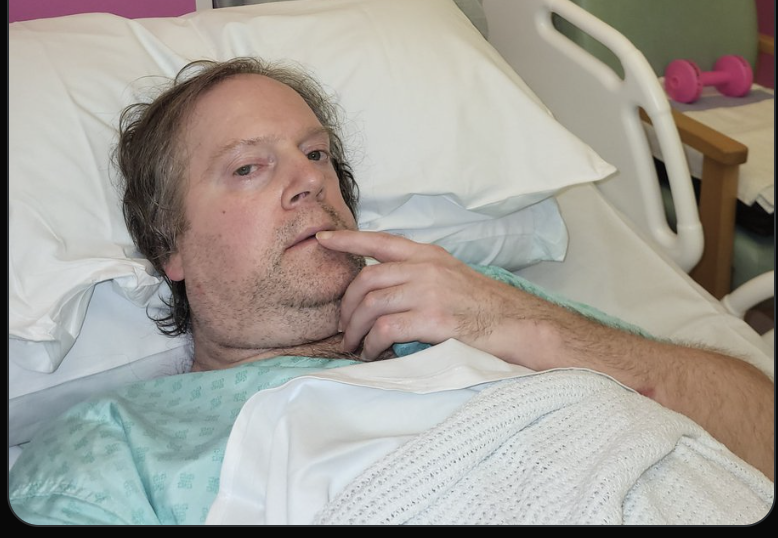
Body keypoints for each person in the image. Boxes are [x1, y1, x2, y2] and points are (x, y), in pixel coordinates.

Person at [9, 59, 774, 525]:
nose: (310, 179)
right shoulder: (119, 444)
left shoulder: (481, 301)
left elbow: (761, 432)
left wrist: (521, 321)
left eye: (317, 154)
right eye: (248, 167)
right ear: (169, 244)